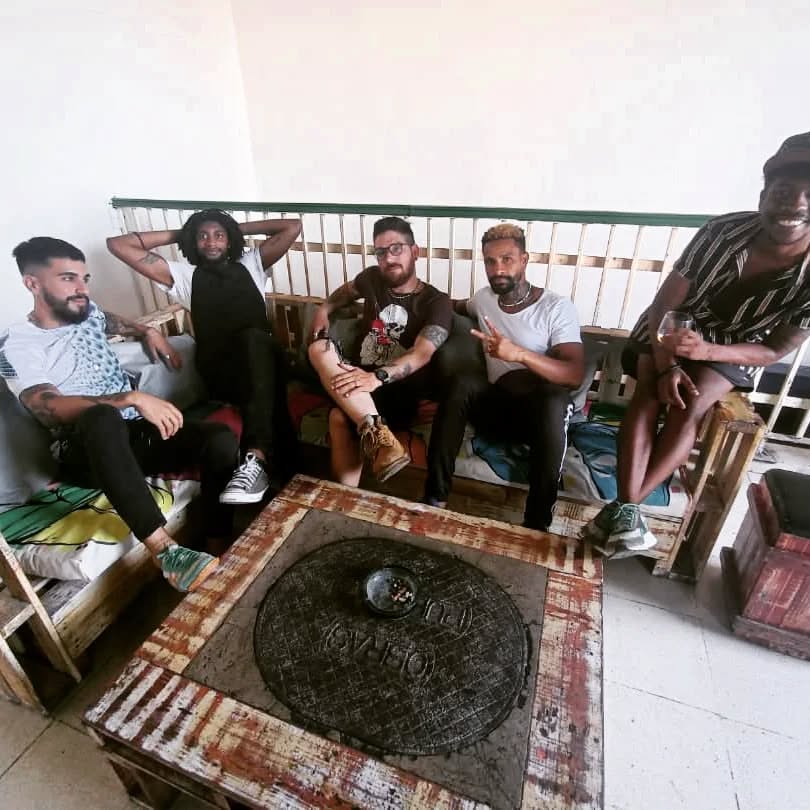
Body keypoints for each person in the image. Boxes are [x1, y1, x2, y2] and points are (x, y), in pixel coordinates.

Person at [584, 132, 810, 557]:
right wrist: (668, 363)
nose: (795, 205)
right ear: (764, 195)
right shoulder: (722, 232)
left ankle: (624, 508)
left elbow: (774, 350)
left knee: (689, 405)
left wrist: (707, 352)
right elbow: (664, 305)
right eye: (783, 192)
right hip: (667, 327)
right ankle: (628, 513)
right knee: (650, 393)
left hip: (733, 347)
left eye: (809, 195)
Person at [0, 238, 240, 592]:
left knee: (218, 438)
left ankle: (217, 547)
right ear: (32, 283)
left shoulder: (85, 312)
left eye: (84, 278)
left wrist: (149, 331)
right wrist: (129, 397)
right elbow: (46, 406)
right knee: (101, 417)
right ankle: (166, 552)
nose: (82, 289)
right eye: (68, 278)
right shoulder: (18, 343)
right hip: (84, 451)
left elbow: (112, 322)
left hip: (132, 437)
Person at [107, 210, 301, 504]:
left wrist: (231, 227)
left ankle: (256, 459)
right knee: (265, 376)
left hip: (263, 363)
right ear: (194, 242)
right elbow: (118, 245)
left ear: (230, 240)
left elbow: (292, 226)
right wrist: (185, 231)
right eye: (203, 236)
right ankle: (280, 470)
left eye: (219, 236)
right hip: (222, 374)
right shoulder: (184, 277)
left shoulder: (252, 263)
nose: (211, 242)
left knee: (255, 342)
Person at [426, 223, 585, 530]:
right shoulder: (483, 299)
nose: (498, 269)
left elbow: (574, 374)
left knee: (555, 399)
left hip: (539, 421)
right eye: (490, 261)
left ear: (524, 260)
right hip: (496, 412)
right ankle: (434, 499)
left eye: (507, 259)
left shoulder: (555, 307)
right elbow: (452, 304)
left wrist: (519, 354)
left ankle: (536, 524)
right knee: (463, 382)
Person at [307, 216, 453, 485]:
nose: (388, 258)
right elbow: (345, 293)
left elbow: (422, 353)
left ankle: (345, 494)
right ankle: (377, 436)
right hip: (358, 378)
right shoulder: (372, 278)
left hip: (399, 390)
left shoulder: (436, 301)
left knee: (339, 417)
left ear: (415, 252)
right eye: (381, 252)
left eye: (396, 248)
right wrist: (324, 309)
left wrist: (377, 377)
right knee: (318, 348)